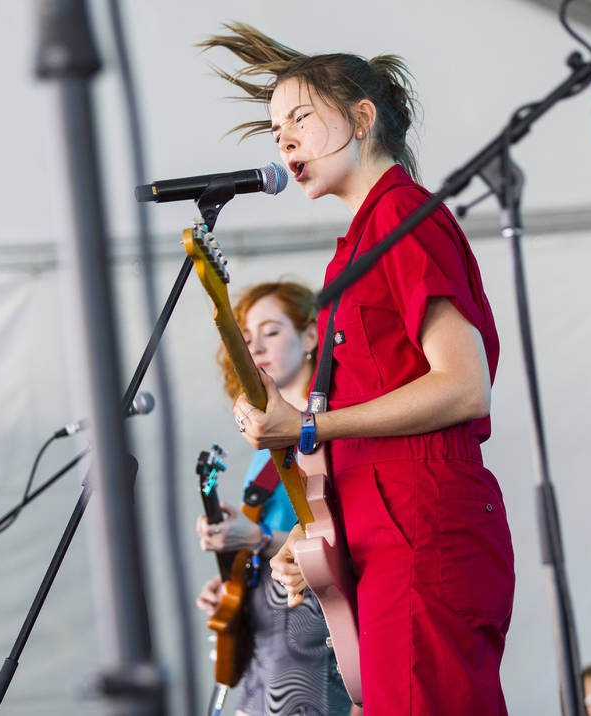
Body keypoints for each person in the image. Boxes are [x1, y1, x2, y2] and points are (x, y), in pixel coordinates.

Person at [201, 23, 515, 715]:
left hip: (422, 536)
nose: (283, 141)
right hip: (377, 543)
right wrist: (307, 543)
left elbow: (464, 385)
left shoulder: (405, 217)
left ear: (363, 118)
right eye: (276, 127)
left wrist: (307, 422)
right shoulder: (355, 250)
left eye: (301, 119)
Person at [194, 279, 353, 716]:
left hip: (312, 624)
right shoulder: (264, 438)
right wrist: (236, 582)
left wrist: (258, 537)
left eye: (271, 331)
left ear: (310, 335)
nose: (255, 346)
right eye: (245, 338)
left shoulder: (337, 426)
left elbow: (346, 542)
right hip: (268, 633)